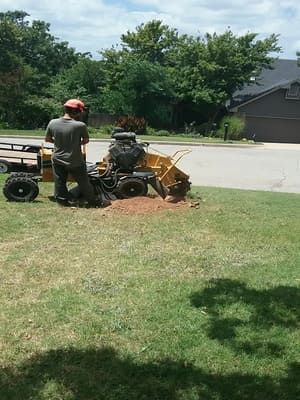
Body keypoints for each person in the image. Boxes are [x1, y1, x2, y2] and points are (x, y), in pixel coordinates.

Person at [45, 99, 97, 207]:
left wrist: (59, 142)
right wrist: (75, 143)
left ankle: (62, 201)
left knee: (59, 181)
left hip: (58, 158)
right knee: (83, 182)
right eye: (79, 112)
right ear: (75, 112)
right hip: (75, 159)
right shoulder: (80, 125)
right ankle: (92, 201)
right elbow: (86, 140)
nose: (80, 114)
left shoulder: (52, 122)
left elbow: (48, 139)